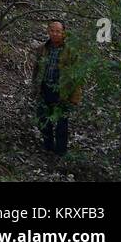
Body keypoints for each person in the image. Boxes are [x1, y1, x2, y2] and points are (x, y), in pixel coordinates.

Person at [32, 21, 82, 156]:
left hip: (62, 92)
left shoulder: (71, 51)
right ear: (48, 31)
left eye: (58, 31)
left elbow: (77, 75)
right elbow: (36, 70)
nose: (55, 33)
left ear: (63, 33)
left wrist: (74, 97)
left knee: (61, 124)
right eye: (52, 30)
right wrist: (35, 88)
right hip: (45, 89)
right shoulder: (42, 48)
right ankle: (47, 147)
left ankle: (60, 152)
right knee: (43, 119)